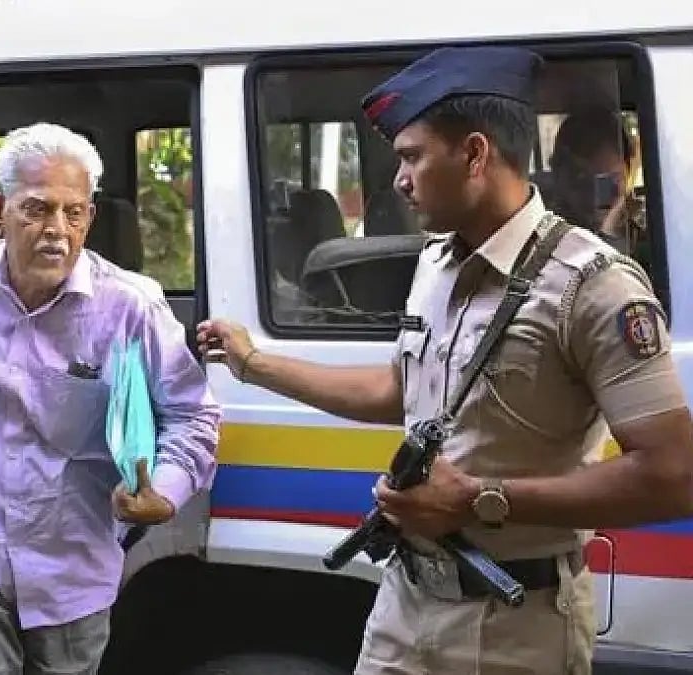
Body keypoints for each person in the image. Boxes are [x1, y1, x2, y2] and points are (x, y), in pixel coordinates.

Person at [197, 46, 693, 674]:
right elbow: (400, 390)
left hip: (518, 627)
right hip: (404, 609)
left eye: (411, 156)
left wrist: (478, 501)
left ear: (476, 154)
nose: (399, 179)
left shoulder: (592, 286)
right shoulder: (436, 263)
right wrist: (252, 363)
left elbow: (674, 475)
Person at [0, 121, 220, 675]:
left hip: (69, 567)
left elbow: (192, 414)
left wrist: (163, 494)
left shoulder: (128, 306)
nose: (58, 231)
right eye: (37, 210)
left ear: (90, 219)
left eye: (74, 214)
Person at [548, 106, 645, 256]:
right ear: (559, 178)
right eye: (581, 182)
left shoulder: (650, 240)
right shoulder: (545, 245)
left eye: (607, 184)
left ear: (629, 173)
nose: (594, 197)